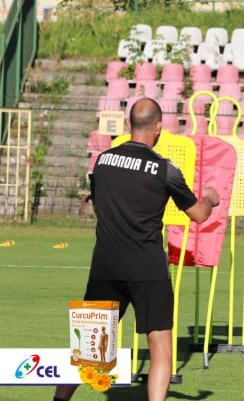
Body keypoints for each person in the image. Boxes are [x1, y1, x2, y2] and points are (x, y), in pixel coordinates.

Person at [54, 98, 220, 401]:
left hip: (106, 265)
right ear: (158, 128)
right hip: (147, 268)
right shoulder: (165, 169)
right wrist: (210, 198)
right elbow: (198, 214)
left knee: (88, 347)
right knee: (161, 349)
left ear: (129, 124)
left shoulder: (102, 161)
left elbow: (99, 206)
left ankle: (59, 399)